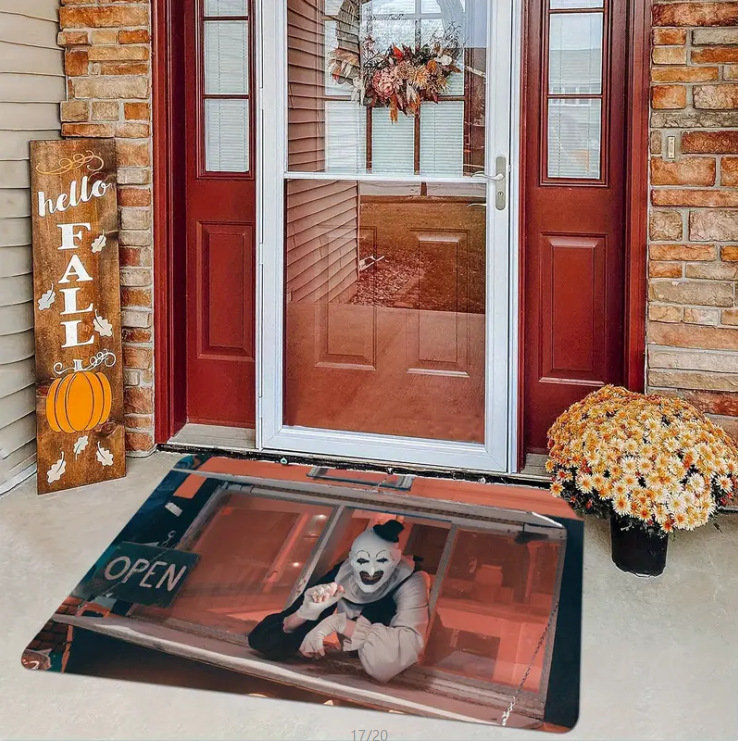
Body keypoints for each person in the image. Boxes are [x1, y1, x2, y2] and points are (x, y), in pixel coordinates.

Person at [248, 519, 430, 683]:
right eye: (362, 560)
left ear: (395, 560)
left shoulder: (411, 580)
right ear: (352, 560)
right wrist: (300, 616)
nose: (371, 570)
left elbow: (397, 656)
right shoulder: (343, 574)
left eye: (382, 560)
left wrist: (339, 623)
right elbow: (261, 641)